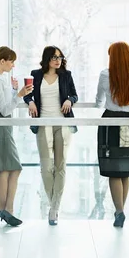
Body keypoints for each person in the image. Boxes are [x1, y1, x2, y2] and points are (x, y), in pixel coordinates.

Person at [23, 46, 78, 226]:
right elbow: (27, 94)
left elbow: (74, 95)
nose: (58, 60)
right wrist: (30, 102)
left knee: (60, 166)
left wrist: (70, 99)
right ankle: (53, 203)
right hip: (42, 123)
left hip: (62, 124)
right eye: (54, 57)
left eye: (60, 57)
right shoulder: (36, 75)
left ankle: (54, 209)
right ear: (47, 58)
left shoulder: (66, 75)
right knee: (46, 166)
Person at [95, 41, 129, 228]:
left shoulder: (105, 75)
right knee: (125, 170)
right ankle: (120, 211)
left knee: (113, 171)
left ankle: (119, 212)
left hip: (111, 124)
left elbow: (99, 101)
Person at [0, 46, 33, 226]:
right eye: (11, 61)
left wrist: (14, 92)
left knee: (8, 168)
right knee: (7, 168)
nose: (13, 65)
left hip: (3, 124)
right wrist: (19, 95)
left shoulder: (0, 79)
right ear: (2, 61)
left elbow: (5, 103)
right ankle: (6, 209)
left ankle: (5, 210)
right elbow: (4, 109)